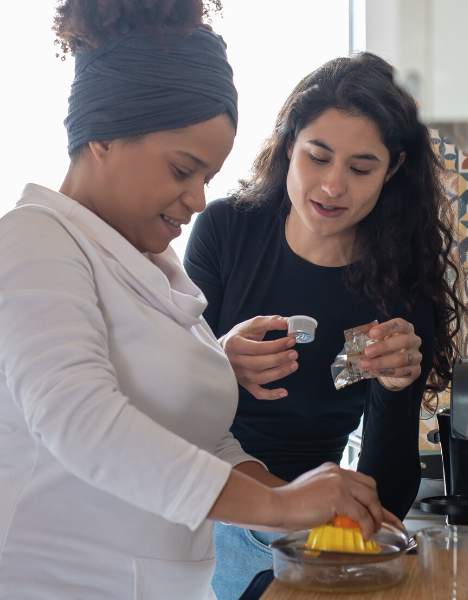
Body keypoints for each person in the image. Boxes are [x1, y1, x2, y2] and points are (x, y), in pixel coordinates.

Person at [0, 4, 399, 600]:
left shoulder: (157, 270)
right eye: (182, 169)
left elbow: (204, 440)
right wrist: (278, 504)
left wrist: (315, 505)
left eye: (207, 176)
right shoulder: (33, 241)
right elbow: (84, 423)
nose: (198, 199)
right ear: (105, 134)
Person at [184, 51, 465, 599]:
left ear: (394, 170)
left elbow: (385, 496)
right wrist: (216, 361)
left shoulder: (399, 280)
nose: (333, 186)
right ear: (289, 145)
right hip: (210, 508)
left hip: (317, 530)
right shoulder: (226, 230)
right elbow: (164, 413)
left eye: (361, 169)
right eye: (317, 157)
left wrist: (394, 387)